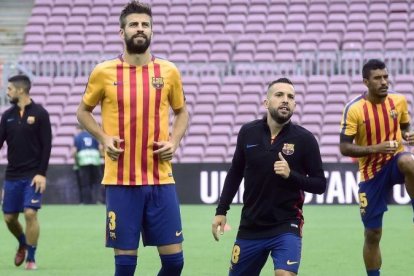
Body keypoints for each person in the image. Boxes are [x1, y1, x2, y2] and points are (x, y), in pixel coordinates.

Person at [76, 1, 189, 276]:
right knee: (125, 267)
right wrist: (103, 137)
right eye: (134, 24)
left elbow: (182, 111)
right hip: (121, 181)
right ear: (122, 32)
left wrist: (173, 141)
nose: (140, 29)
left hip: (161, 179)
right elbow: (83, 112)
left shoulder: (169, 71)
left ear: (152, 31)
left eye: (145, 25)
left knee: (175, 263)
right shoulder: (103, 72)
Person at [211, 78, 327, 276]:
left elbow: (320, 184)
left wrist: (291, 175)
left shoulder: (305, 139)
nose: (285, 100)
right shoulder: (248, 132)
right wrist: (221, 210)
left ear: (295, 105)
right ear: (266, 102)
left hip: (286, 224)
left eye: (290, 97)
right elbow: (235, 172)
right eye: (279, 95)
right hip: (251, 226)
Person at [339, 59, 414, 276]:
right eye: (377, 78)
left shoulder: (399, 101)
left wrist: (408, 134)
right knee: (372, 233)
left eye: (386, 77)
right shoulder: (354, 109)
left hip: (395, 161)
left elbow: (404, 127)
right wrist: (376, 148)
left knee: (408, 161)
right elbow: (344, 148)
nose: (384, 82)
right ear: (366, 82)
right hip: (371, 173)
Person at [0, 74, 52, 270]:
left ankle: (31, 257)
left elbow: (47, 146)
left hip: (33, 175)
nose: (7, 92)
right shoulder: (7, 115)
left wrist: (41, 173)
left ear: (20, 90)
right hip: (12, 175)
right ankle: (23, 241)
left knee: (30, 214)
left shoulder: (41, 113)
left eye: (9, 89)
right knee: (9, 218)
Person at [72, 125, 103, 204]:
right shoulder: (93, 135)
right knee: (96, 183)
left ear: (79, 129)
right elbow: (100, 148)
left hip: (83, 162)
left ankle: (87, 202)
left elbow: (74, 151)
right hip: (95, 161)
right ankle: (97, 200)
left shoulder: (77, 137)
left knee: (85, 183)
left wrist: (76, 161)